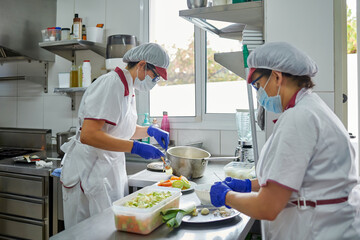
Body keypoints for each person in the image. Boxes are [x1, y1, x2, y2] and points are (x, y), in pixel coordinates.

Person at [210, 42, 360, 239]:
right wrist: (249, 186)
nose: (259, 95)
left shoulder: (299, 118)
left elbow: (268, 206)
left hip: (317, 231)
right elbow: (296, 179)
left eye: (257, 86)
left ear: (277, 76)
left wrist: (226, 196)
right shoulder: (309, 108)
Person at [60, 43, 170, 228]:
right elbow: (89, 134)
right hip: (89, 170)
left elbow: (121, 129)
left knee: (108, 229)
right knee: (87, 232)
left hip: (107, 168)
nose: (155, 81)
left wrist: (149, 131)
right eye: (155, 76)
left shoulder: (128, 88)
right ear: (142, 65)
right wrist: (135, 147)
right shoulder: (111, 83)